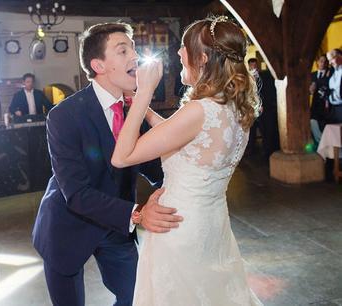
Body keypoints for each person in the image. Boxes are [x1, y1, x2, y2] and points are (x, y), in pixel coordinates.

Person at [112, 16, 263, 305]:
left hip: (179, 230)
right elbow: (176, 135)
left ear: (203, 58)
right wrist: (140, 108)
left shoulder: (199, 111)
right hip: (212, 226)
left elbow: (122, 157)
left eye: (184, 48)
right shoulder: (234, 108)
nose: (179, 53)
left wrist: (144, 93)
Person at [32, 22, 183, 306]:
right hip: (67, 226)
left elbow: (155, 169)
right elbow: (76, 194)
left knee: (137, 298)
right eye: (122, 50)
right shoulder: (63, 116)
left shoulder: (134, 110)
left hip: (115, 226)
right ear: (98, 66)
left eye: (134, 49)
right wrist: (139, 214)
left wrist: (196, 174)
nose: (135, 57)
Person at [309, 55, 332, 142]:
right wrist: (310, 90)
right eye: (321, 61)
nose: (323, 63)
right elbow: (309, 91)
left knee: (325, 125)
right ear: (317, 62)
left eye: (325, 61)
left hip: (327, 104)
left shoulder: (329, 74)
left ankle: (326, 144)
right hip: (315, 104)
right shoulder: (312, 75)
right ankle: (321, 142)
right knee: (312, 121)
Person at [326, 49, 342, 123]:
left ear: (339, 56)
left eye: (331, 59)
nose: (330, 63)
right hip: (333, 109)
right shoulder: (331, 70)